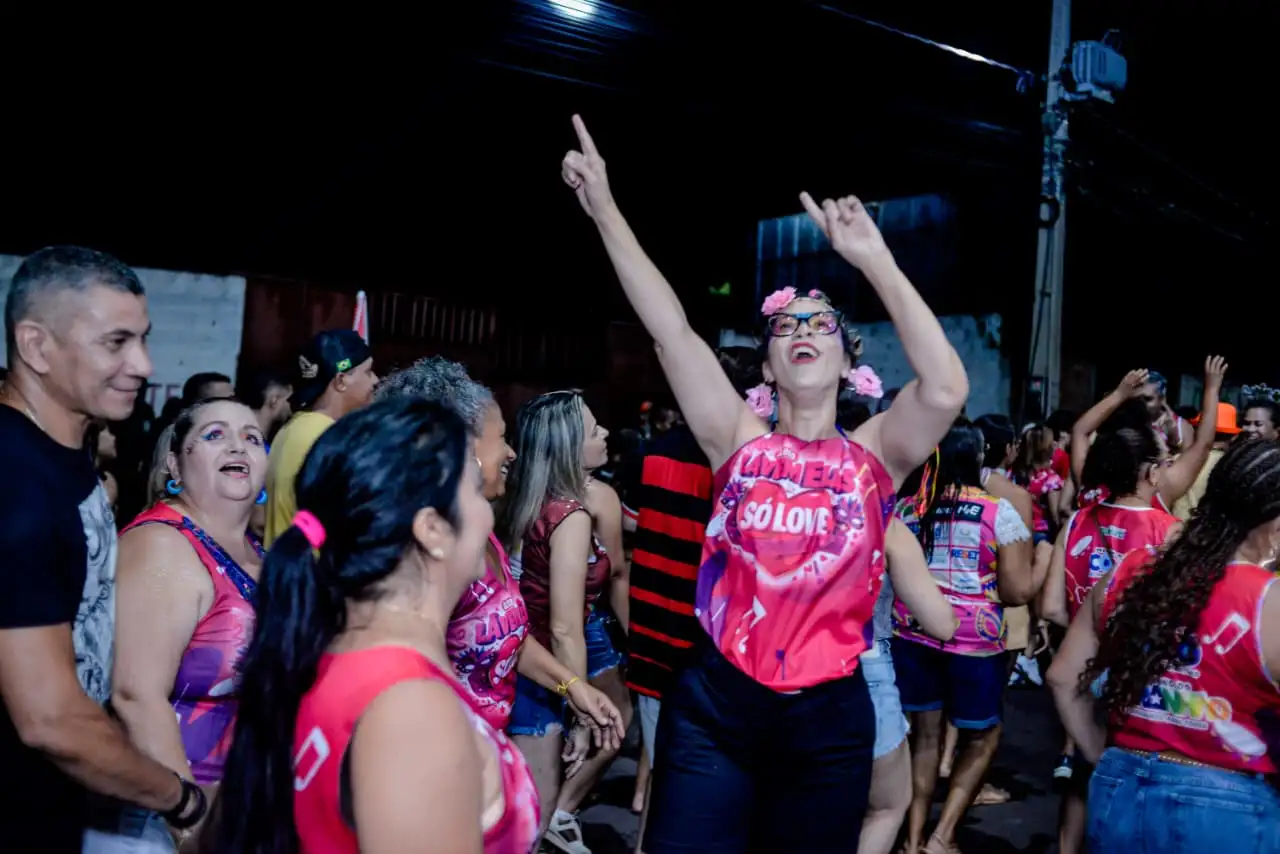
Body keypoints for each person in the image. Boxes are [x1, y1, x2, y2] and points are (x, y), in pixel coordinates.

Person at [561, 115, 967, 851]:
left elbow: (943, 389)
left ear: (847, 363)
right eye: (786, 327)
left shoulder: (876, 454)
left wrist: (874, 259)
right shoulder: (734, 442)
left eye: (821, 323)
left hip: (829, 716)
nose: (802, 329)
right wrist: (606, 209)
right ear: (768, 368)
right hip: (718, 705)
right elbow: (672, 331)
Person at [216, 397, 541, 854]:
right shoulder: (411, 712)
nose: (489, 511)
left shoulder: (325, 659)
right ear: (432, 529)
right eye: (473, 487)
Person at [0, 246, 203, 853]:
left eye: (142, 339)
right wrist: (182, 800)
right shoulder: (15, 480)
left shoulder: (64, 459)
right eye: (115, 342)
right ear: (35, 346)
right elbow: (50, 719)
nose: (143, 363)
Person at [1048, 437, 1280, 851]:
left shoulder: (1131, 570)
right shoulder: (1268, 600)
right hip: (1228, 807)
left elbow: (1063, 678)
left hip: (1119, 786)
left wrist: (1103, 756)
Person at [88, 398, 267, 851]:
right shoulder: (161, 545)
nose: (238, 447)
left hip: (238, 810)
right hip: (158, 819)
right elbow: (135, 695)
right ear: (175, 463)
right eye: (215, 435)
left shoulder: (258, 553)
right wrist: (190, 825)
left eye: (252, 437)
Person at [263, 329, 377, 546]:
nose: (375, 380)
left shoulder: (293, 428)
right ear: (341, 380)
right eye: (368, 372)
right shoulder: (328, 439)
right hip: (312, 575)